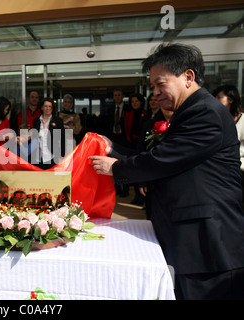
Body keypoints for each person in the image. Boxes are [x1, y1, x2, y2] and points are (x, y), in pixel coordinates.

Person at [90, 43, 244, 300]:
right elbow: (163, 156)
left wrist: (115, 168)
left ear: (188, 77)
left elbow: (163, 160)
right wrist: (112, 148)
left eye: (160, 84)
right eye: (152, 87)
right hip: (189, 241)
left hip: (208, 245)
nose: (156, 93)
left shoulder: (205, 112)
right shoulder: (189, 112)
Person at [213, 84, 244, 207]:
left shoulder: (242, 120)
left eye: (219, 97)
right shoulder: (217, 119)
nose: (215, 101)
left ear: (231, 99)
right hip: (222, 172)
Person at [108, 88, 130, 197]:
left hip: (124, 139)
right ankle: (117, 188)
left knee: (124, 163)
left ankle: (125, 189)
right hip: (113, 139)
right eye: (115, 95)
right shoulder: (110, 109)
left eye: (119, 95)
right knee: (114, 163)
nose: (117, 97)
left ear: (123, 96)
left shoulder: (128, 109)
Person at [32, 97, 65, 170]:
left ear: (52, 109)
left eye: (50, 106)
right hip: (38, 156)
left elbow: (62, 137)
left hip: (52, 156)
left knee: (51, 178)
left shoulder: (58, 121)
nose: (48, 108)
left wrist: (62, 153)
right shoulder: (36, 121)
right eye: (46, 106)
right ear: (42, 108)